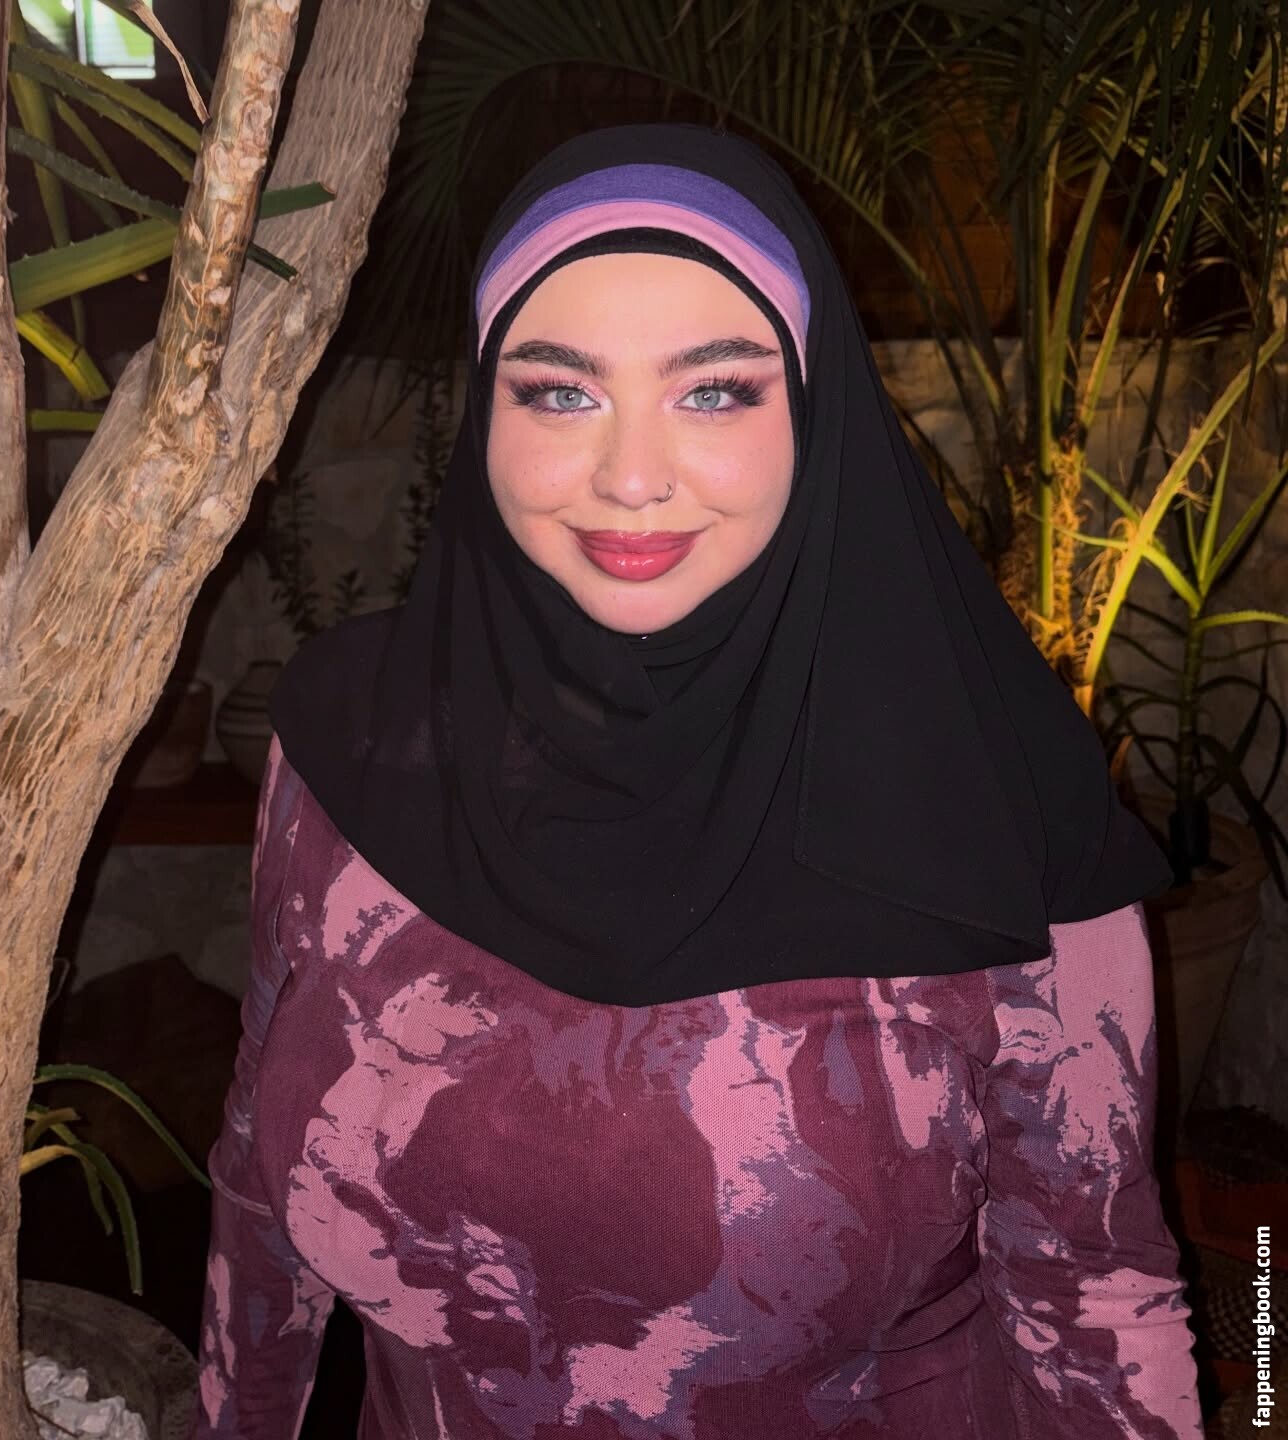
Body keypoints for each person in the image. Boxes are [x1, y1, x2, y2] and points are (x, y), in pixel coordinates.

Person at [190, 123, 1204, 1438]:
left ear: (813, 410)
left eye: (715, 391)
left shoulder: (998, 810)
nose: (631, 477)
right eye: (558, 392)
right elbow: (256, 1185)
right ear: (485, 409)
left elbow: (1102, 1303)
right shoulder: (355, 742)